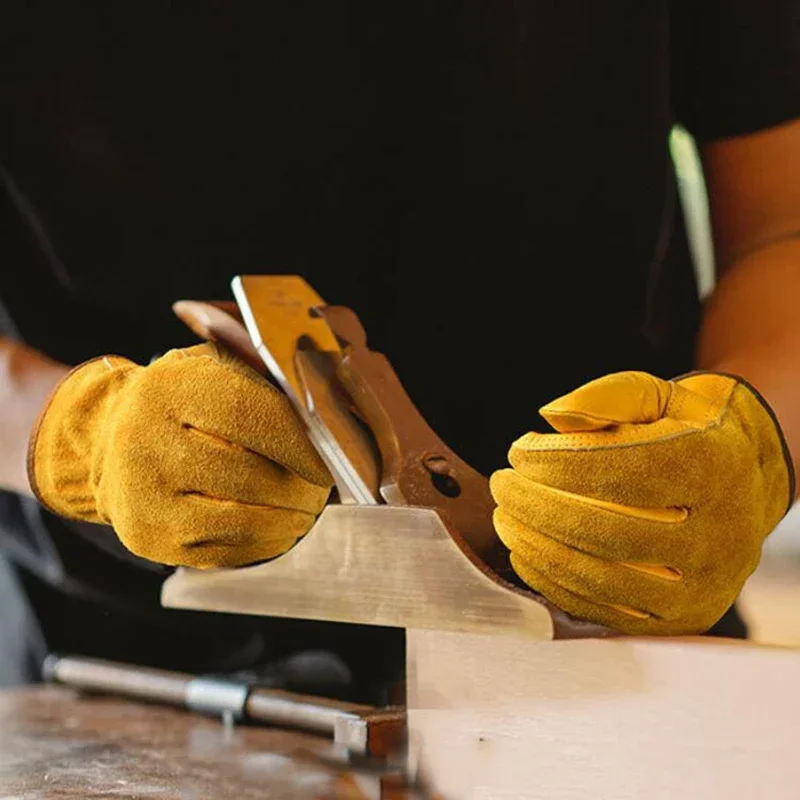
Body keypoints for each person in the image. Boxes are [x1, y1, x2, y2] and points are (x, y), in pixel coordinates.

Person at [1, 4, 798, 687]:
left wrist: (757, 446)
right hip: (116, 667)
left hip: (628, 609)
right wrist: (80, 437)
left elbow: (780, 227)